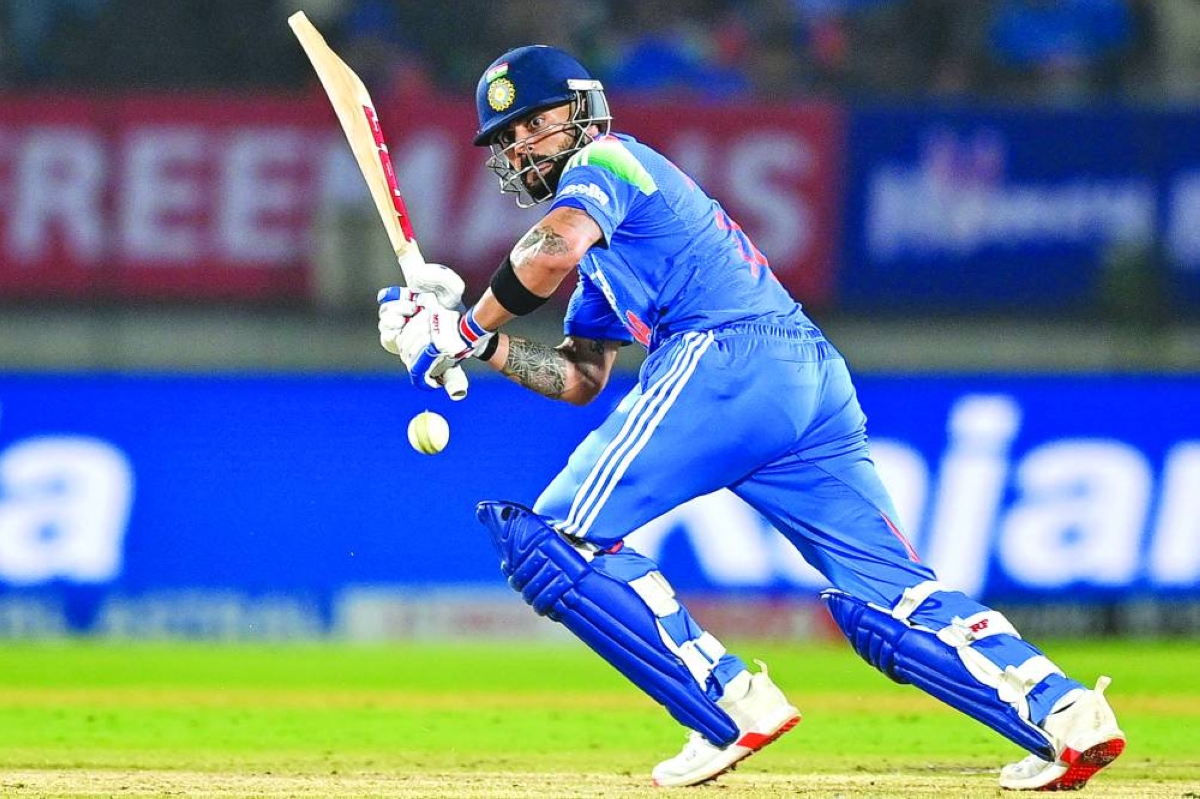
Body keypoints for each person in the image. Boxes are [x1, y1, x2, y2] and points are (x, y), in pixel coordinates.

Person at [376, 44, 1126, 791]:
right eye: (505, 138)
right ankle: (1064, 714)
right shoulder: (607, 260)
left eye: (531, 123)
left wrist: (463, 326)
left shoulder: (607, 162)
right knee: (888, 599)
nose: (517, 145)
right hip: (806, 377)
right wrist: (480, 346)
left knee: (553, 542)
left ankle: (728, 703)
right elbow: (579, 378)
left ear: (580, 112)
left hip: (726, 357)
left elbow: (550, 249)